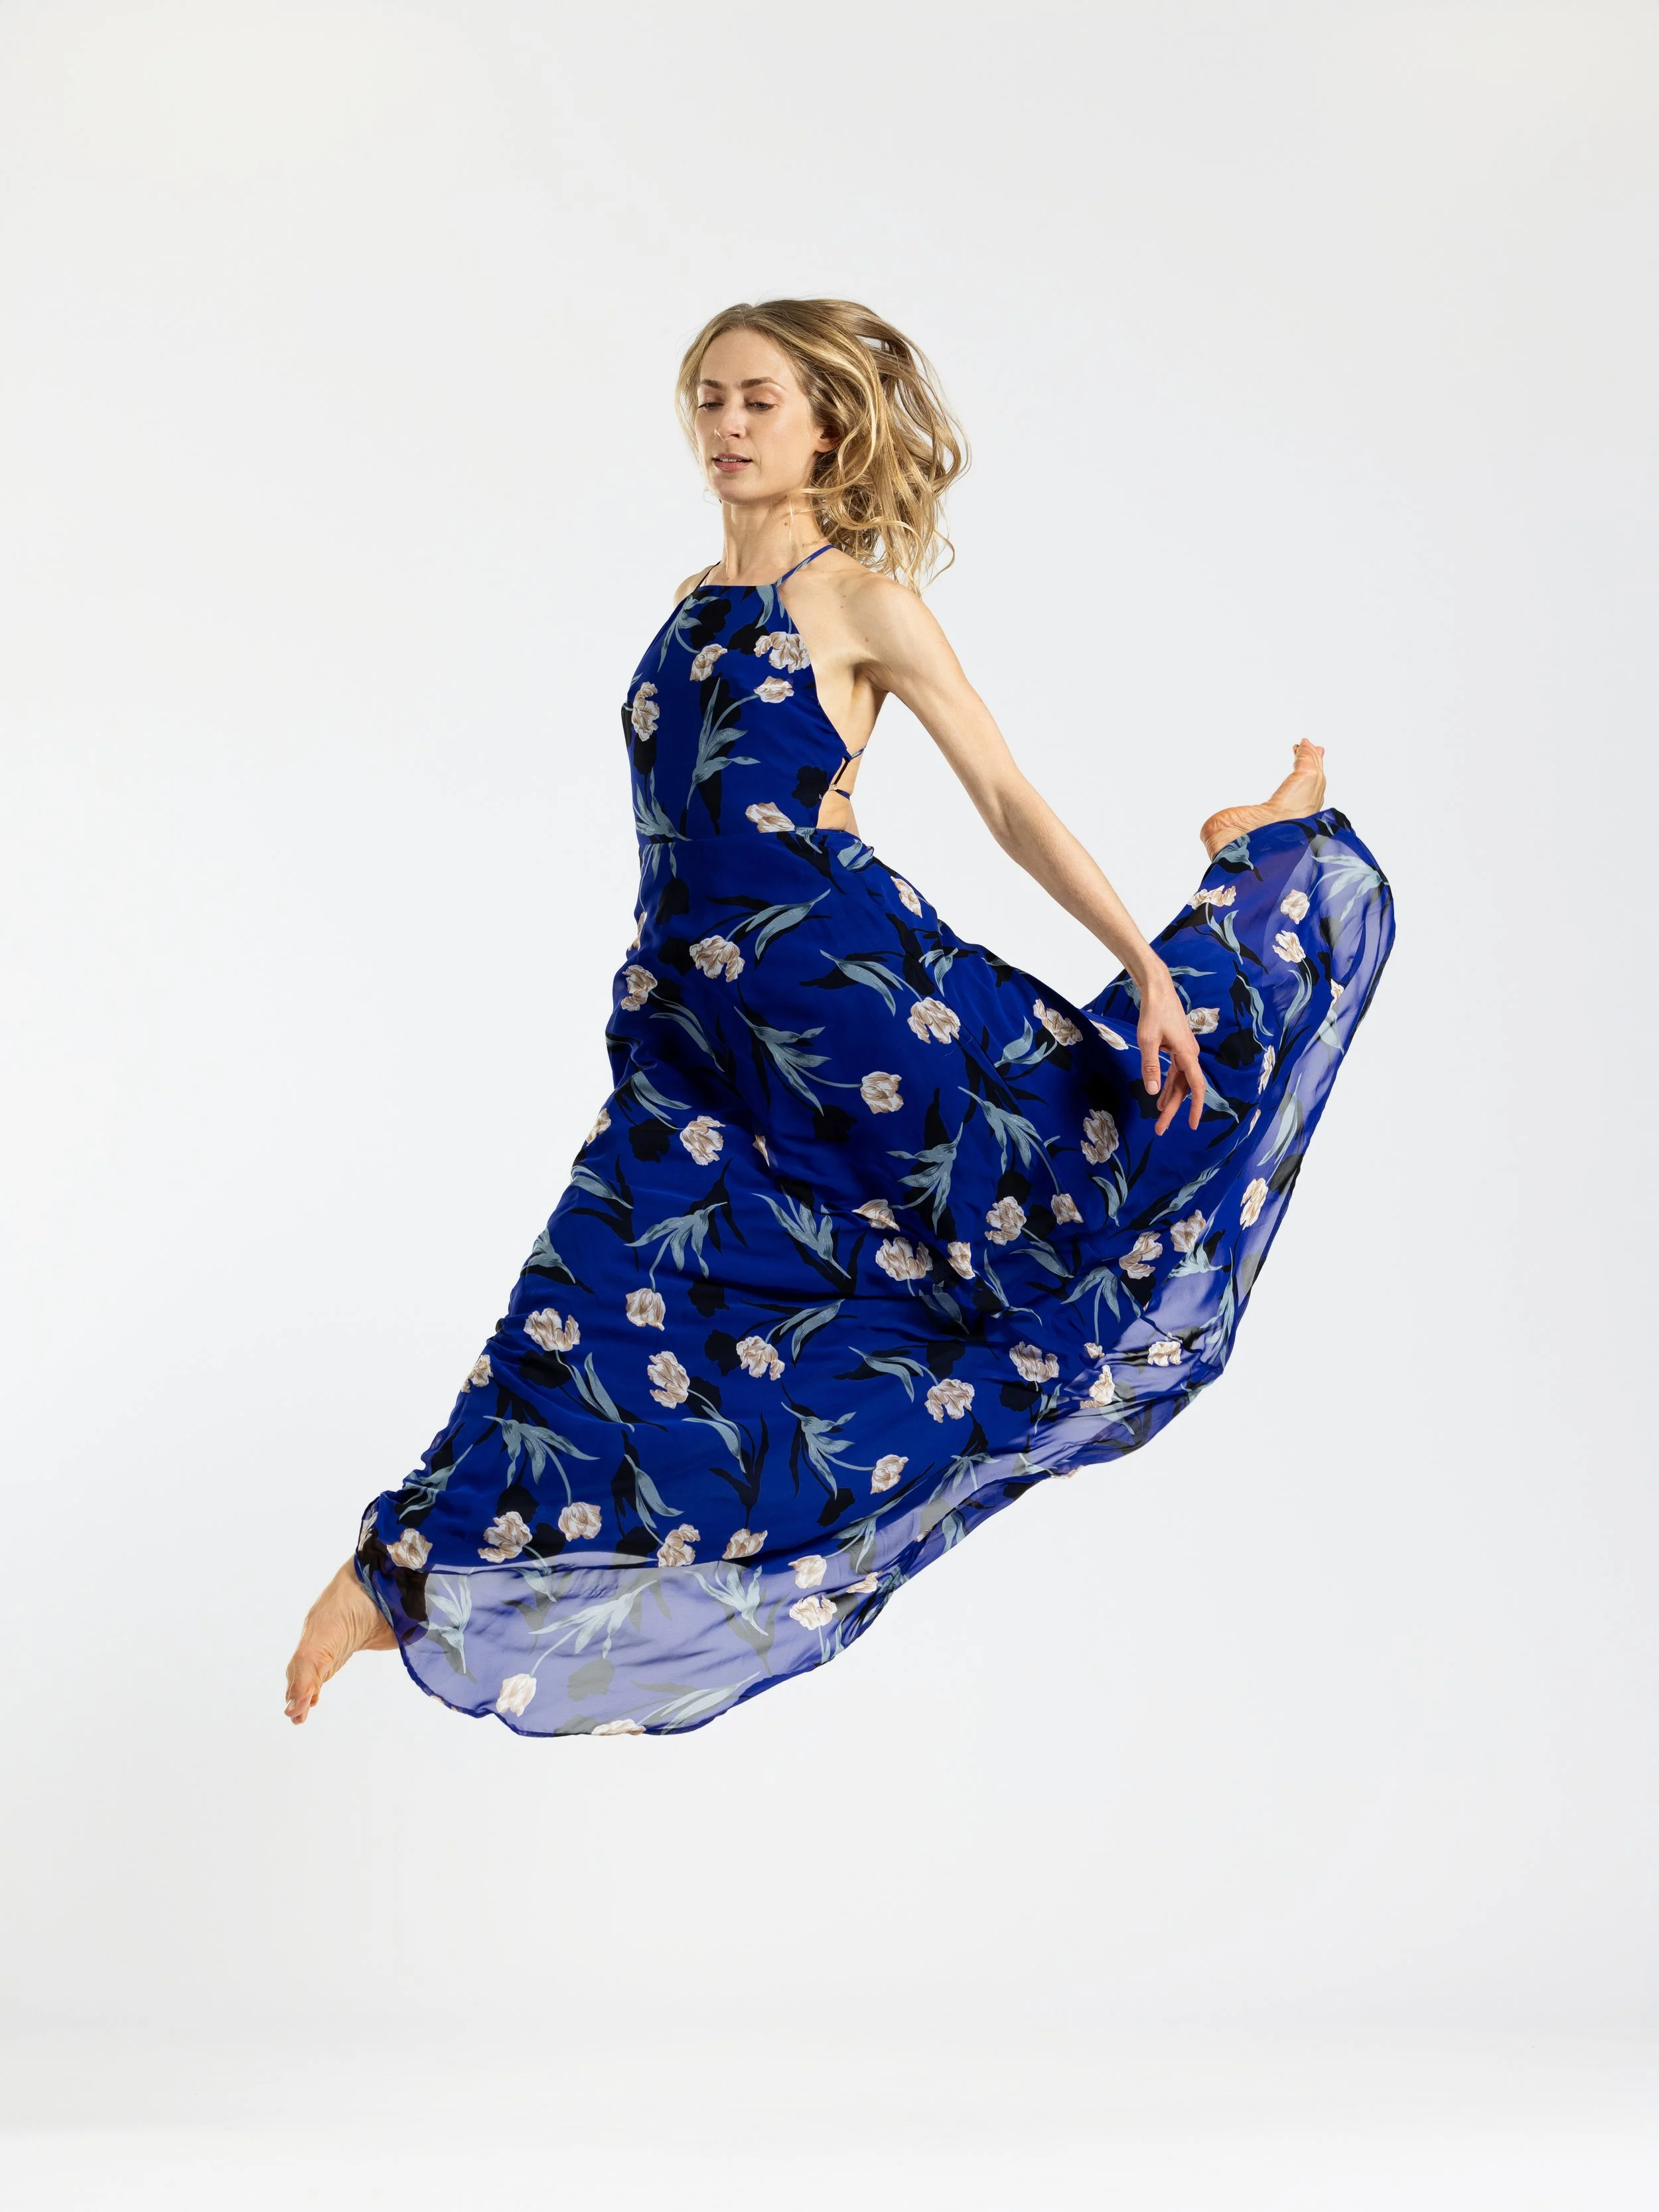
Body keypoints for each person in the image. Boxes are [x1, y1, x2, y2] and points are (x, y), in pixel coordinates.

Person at [285, 298, 1394, 1737]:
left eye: (759, 400)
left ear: (825, 429)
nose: (728, 425)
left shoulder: (863, 603)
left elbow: (1005, 800)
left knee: (1089, 1163)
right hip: (689, 1020)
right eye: (710, 399)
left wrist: (1140, 958)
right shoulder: (690, 602)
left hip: (841, 999)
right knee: (594, 1264)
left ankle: (1265, 862)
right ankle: (406, 1563)